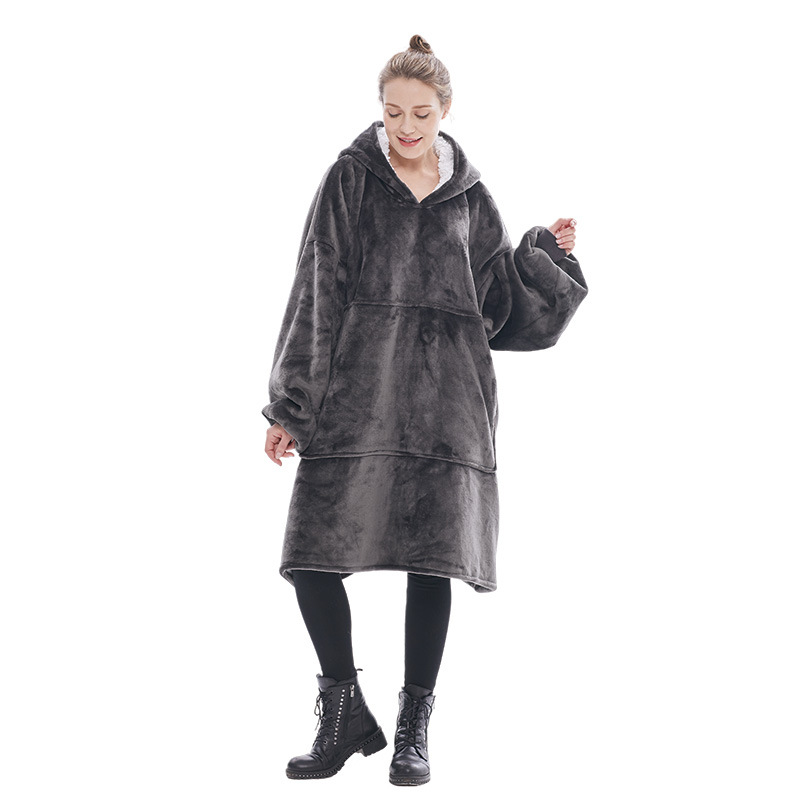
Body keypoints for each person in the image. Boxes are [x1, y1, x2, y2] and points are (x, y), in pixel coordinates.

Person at [261, 34, 588, 786]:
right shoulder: (350, 179)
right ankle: (344, 712)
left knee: (430, 562)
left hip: (447, 406)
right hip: (357, 399)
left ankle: (414, 728)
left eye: (421, 113)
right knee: (310, 558)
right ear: (380, 111)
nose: (406, 127)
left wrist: (546, 255)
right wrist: (291, 406)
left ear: (445, 111)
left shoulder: (470, 197)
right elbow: (316, 289)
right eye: (393, 112)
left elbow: (498, 305)